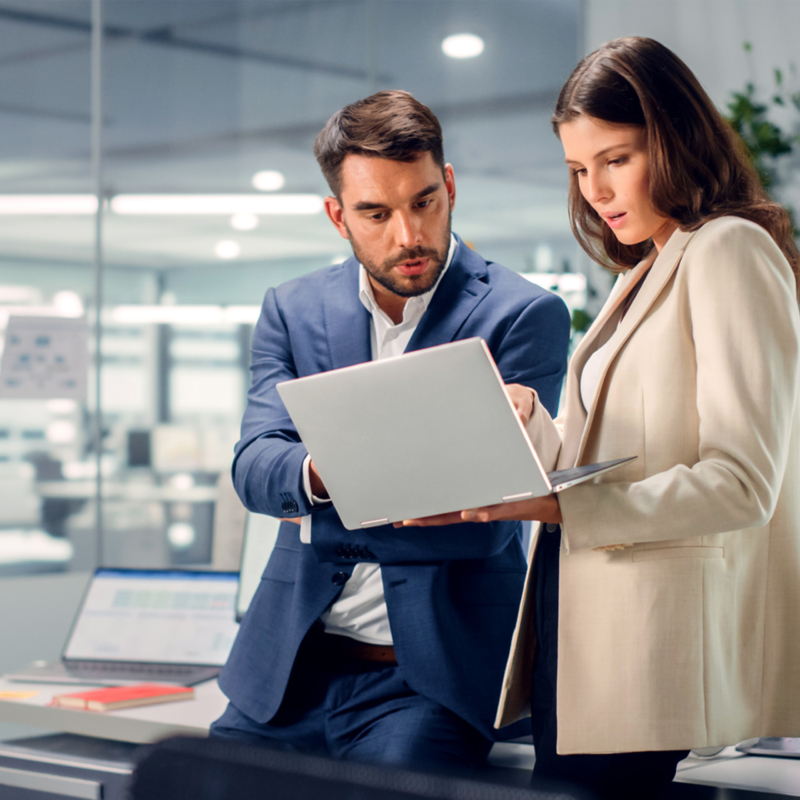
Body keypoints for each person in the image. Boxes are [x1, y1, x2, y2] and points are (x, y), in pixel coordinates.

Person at [401, 37, 800, 798]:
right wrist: (527, 426)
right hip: (581, 632)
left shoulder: (728, 251)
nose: (596, 191)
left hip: (644, 653)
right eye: (580, 170)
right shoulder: (646, 265)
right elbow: (624, 452)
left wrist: (555, 502)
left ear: (675, 136)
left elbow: (744, 484)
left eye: (615, 159)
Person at [210, 90, 572, 772]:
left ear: (451, 185)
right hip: (286, 675)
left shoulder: (523, 315)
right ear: (337, 215)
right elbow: (256, 469)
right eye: (376, 213)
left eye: (425, 201)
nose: (408, 234)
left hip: (426, 686)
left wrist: (316, 510)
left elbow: (484, 521)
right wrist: (329, 475)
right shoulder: (292, 310)